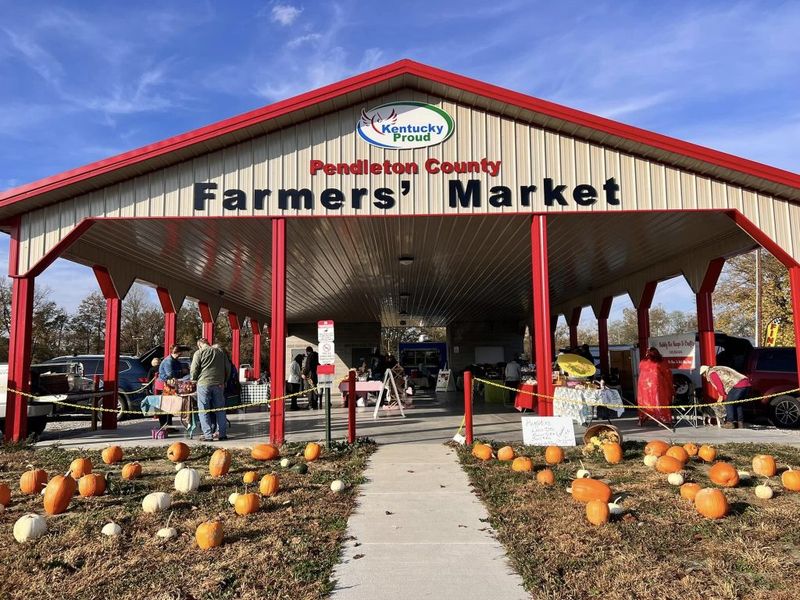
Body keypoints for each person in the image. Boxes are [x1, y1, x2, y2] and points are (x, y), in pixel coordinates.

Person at [191, 338, 231, 441]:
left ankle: (208, 435)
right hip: (219, 384)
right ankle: (222, 434)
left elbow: (194, 368)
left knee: (204, 410)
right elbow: (228, 367)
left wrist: (193, 379)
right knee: (220, 409)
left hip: (203, 384)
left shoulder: (199, 353)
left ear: (199, 345)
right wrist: (225, 380)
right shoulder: (221, 352)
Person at [700, 364, 751, 429]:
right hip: (745, 384)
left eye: (703, 375)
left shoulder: (711, 373)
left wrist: (722, 396)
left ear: (705, 372)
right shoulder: (718, 369)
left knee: (728, 403)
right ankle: (740, 423)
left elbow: (719, 385)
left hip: (737, 385)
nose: (704, 376)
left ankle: (730, 423)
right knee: (738, 404)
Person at [636, 347, 674, 426]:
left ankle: (641, 419)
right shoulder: (660, 362)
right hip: (656, 386)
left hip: (643, 386)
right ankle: (661, 419)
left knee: (644, 402)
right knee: (659, 401)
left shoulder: (642, 362)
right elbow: (667, 374)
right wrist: (671, 387)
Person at [158, 345, 189, 428]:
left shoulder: (175, 361)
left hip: (172, 384)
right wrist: (182, 371)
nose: (181, 354)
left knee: (170, 405)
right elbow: (170, 374)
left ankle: (169, 426)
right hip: (165, 385)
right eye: (180, 352)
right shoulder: (168, 361)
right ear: (177, 352)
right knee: (166, 405)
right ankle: (164, 426)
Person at [303, 345, 320, 410]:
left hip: (310, 376)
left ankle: (310, 404)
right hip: (315, 375)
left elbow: (308, 366)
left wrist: (304, 373)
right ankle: (315, 403)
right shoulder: (317, 355)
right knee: (314, 388)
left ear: (307, 351)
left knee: (309, 390)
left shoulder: (310, 356)